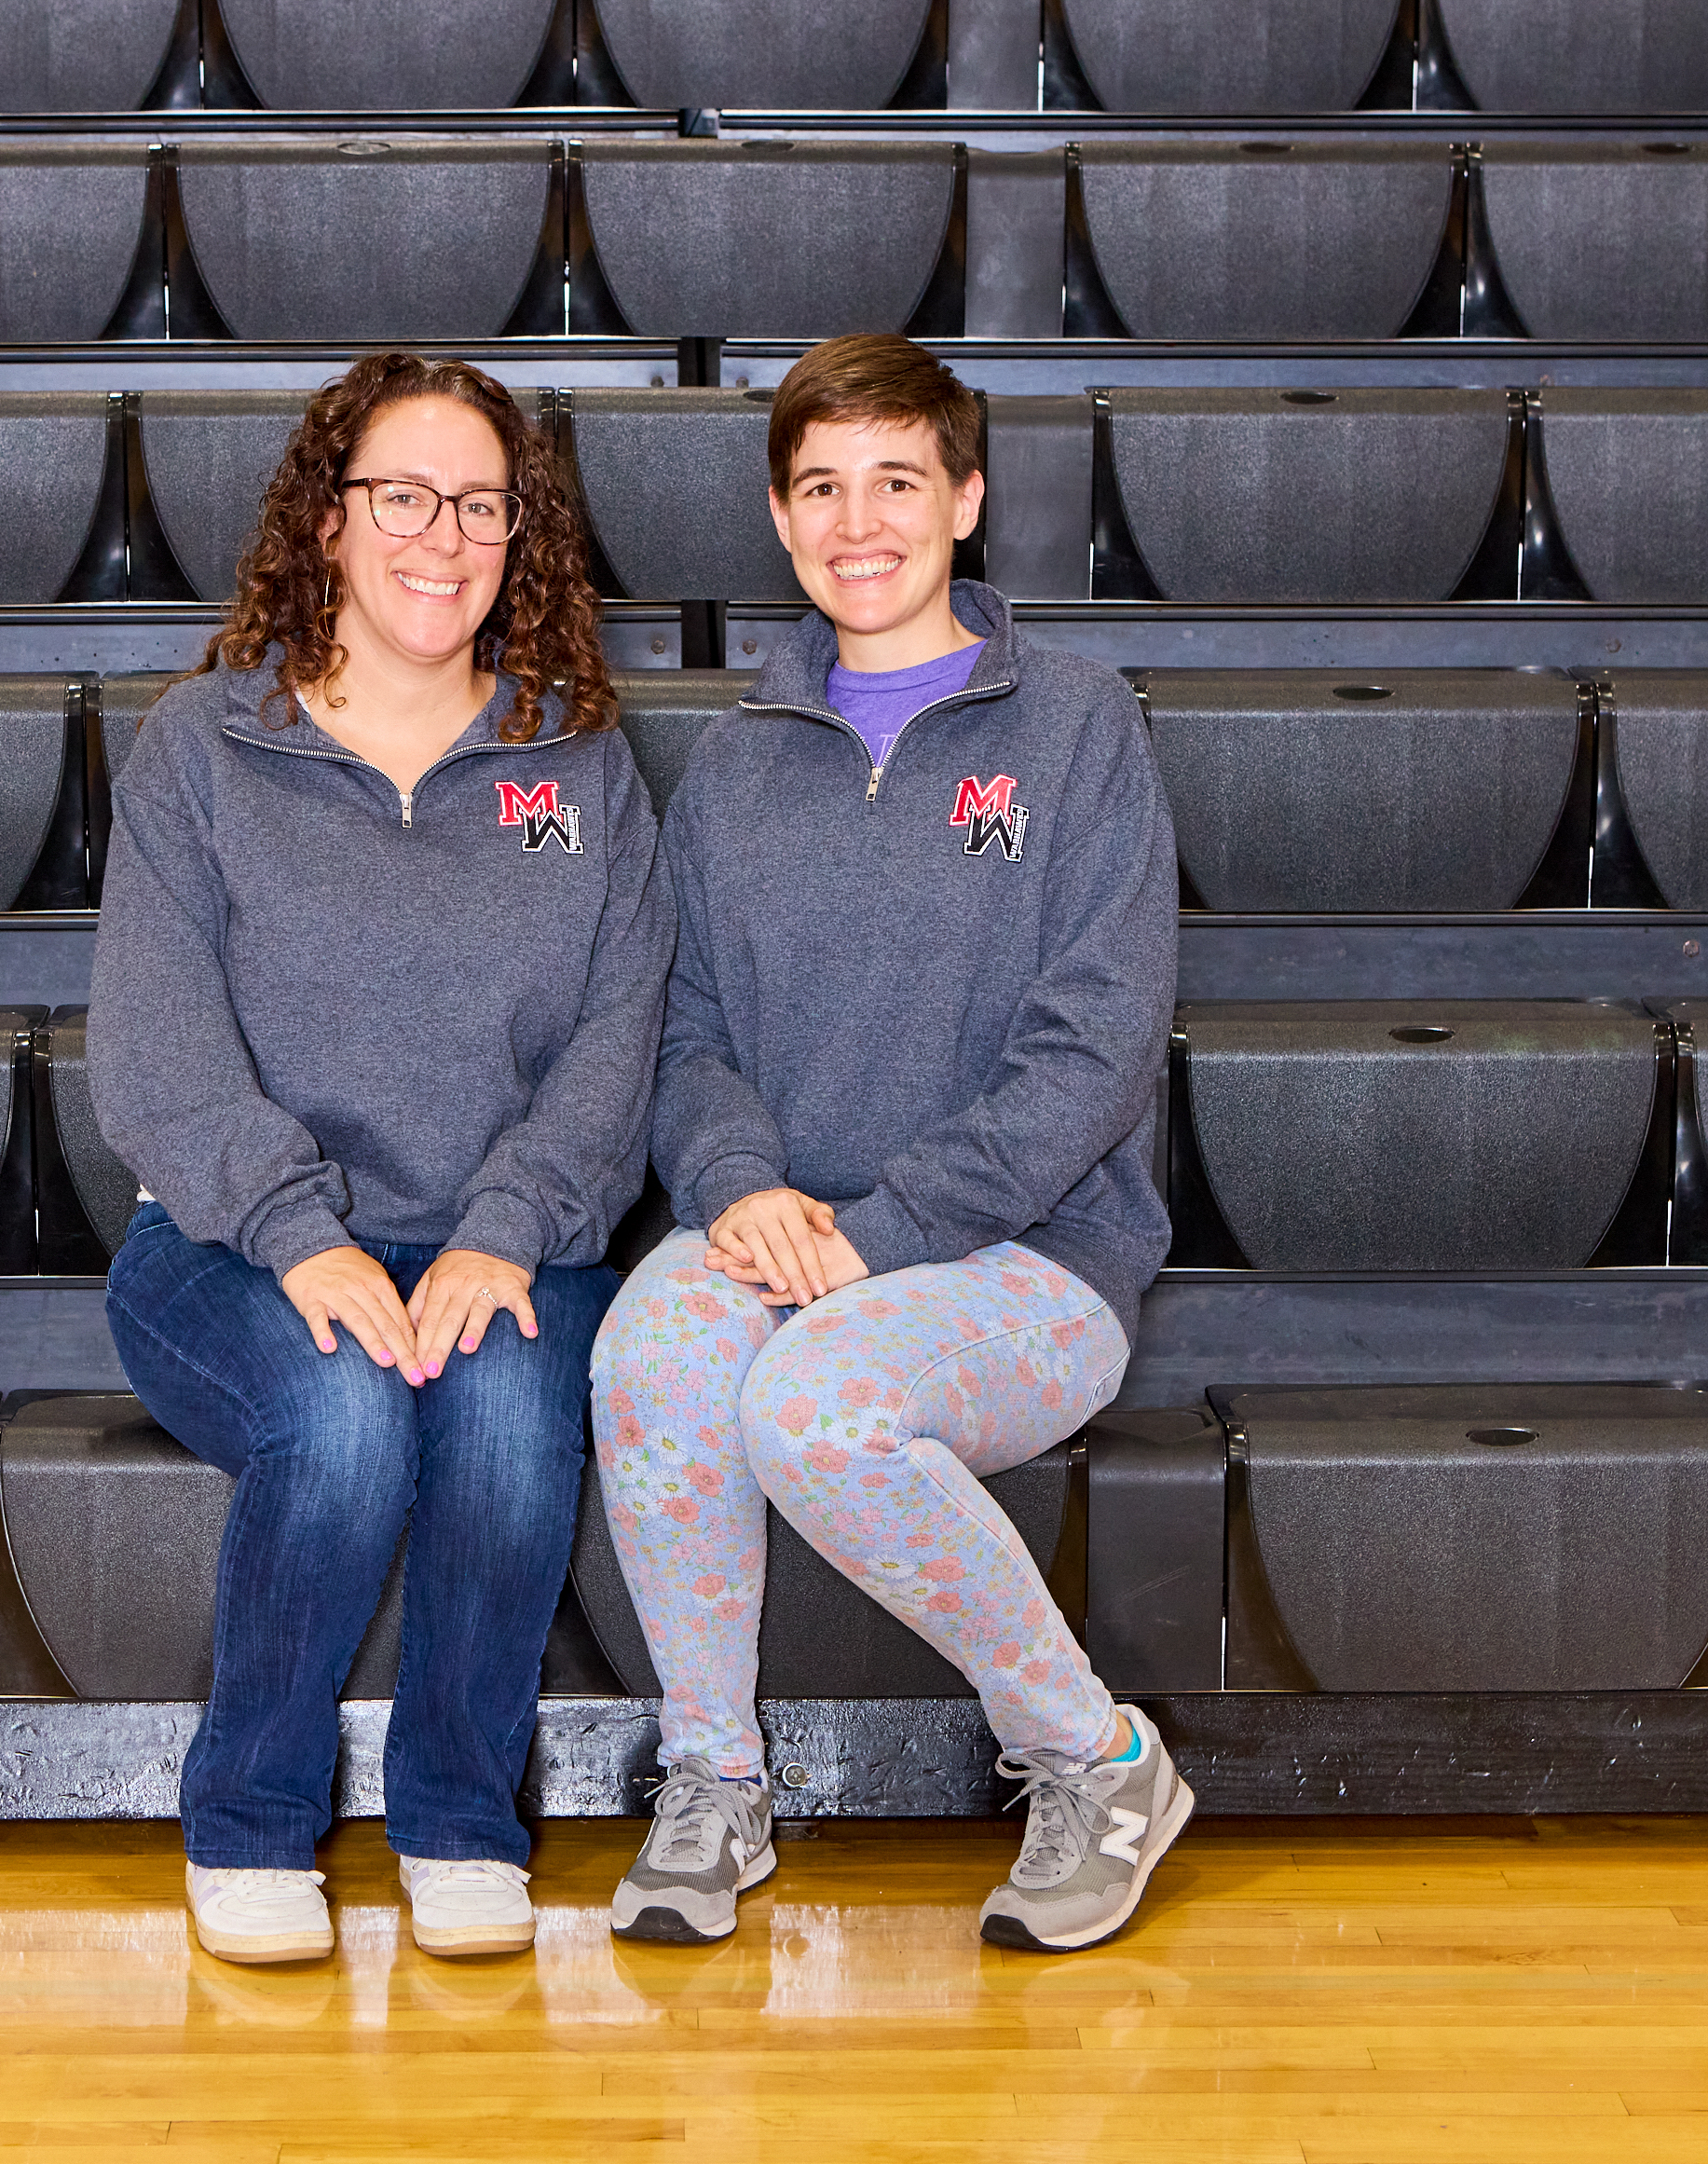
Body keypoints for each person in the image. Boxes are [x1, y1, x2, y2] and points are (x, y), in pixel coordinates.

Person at [590, 332, 1184, 1953]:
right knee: (649, 1353)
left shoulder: (1074, 730)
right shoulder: (734, 764)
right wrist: (741, 1187)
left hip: (1024, 1254)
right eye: (824, 488)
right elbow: (687, 1031)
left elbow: (1097, 1045)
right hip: (787, 1225)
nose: (863, 522)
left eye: (899, 481)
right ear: (784, 522)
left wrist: (880, 1230)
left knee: (814, 1407)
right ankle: (715, 1784)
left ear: (967, 499)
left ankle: (1100, 1760)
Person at [89, 352, 674, 1967]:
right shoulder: (204, 750)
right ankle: (254, 1822)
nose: (443, 536)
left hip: (505, 1230)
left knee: (496, 1419)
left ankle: (461, 1820)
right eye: (403, 496)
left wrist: (506, 1227)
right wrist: (298, 1234)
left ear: (520, 535)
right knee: (345, 1416)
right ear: (329, 522)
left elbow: (618, 1045)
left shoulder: (582, 762)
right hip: (227, 1247)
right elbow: (153, 1049)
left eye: (481, 504)